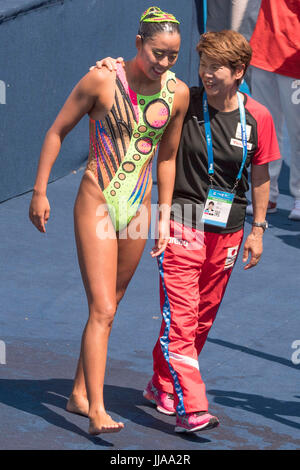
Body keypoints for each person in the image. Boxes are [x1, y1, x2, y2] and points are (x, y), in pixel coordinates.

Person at [94, 29, 281, 434]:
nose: (207, 74)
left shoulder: (258, 118)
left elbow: (261, 175)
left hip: (229, 229)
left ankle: (161, 384)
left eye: (216, 67)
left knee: (200, 320)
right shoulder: (182, 98)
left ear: (239, 71)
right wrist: (109, 66)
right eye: (203, 65)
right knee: (181, 318)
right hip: (181, 217)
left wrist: (259, 229)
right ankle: (191, 408)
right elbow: (136, 76)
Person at [28, 6, 189, 435]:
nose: (164, 62)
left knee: (110, 306)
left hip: (138, 207)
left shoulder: (178, 94)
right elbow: (56, 131)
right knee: (101, 307)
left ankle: (79, 393)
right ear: (139, 43)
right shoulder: (102, 79)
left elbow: (168, 157)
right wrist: (40, 190)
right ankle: (97, 410)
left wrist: (165, 217)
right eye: (158, 53)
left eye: (173, 55)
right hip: (97, 200)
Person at [246, 0, 300, 219]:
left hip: (294, 61)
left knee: (297, 132)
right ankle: (267, 195)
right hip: (263, 52)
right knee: (263, 131)